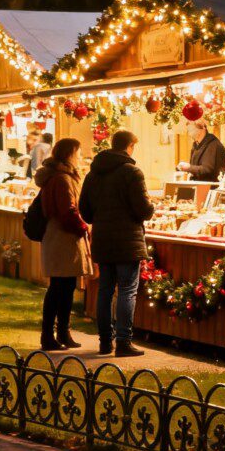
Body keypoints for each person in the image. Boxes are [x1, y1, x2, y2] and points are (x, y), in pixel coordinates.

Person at [78, 129, 155, 358]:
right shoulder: (132, 172)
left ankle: (104, 341)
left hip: (103, 239)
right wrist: (152, 206)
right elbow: (143, 209)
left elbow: (85, 211)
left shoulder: (93, 174)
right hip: (127, 241)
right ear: (130, 146)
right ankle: (123, 342)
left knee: (105, 290)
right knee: (127, 291)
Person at [33, 138, 93, 351]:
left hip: (62, 237)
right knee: (59, 287)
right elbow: (67, 211)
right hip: (62, 238)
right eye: (78, 152)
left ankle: (63, 332)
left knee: (65, 287)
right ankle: (49, 335)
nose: (80, 157)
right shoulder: (61, 179)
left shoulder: (60, 177)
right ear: (69, 154)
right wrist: (84, 227)